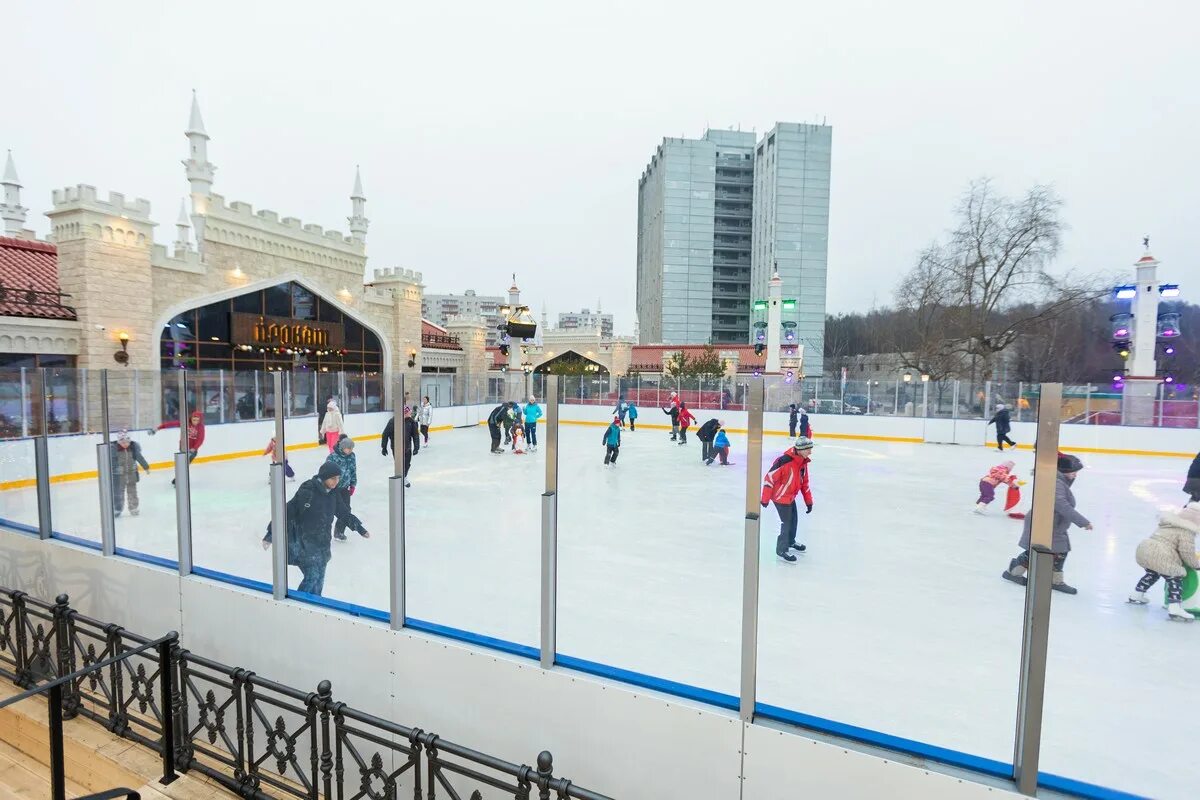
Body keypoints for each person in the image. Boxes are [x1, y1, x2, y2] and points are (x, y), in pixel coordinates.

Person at [262, 461, 368, 597]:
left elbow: (343, 512)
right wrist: (271, 534)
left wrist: (359, 527)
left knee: (318, 582)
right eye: (333, 478)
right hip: (304, 543)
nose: (336, 481)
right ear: (324, 477)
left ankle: (315, 606)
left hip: (322, 544)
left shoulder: (334, 493)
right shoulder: (308, 491)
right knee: (312, 577)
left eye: (338, 478)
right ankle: (298, 606)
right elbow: (287, 512)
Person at [1001, 453, 1092, 594]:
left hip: (1052, 524)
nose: (1075, 475)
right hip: (1045, 523)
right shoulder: (1056, 483)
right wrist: (1083, 522)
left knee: (1057, 551)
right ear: (1064, 471)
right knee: (1047, 551)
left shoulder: (1059, 480)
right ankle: (1016, 571)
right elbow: (1061, 505)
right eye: (1073, 472)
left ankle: (1047, 578)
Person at [1127, 503, 1200, 621]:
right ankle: (1175, 607)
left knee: (1153, 573)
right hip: (1161, 554)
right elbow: (1187, 552)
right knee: (1175, 578)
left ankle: (1137, 594)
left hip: (1145, 549)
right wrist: (1196, 565)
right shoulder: (1187, 531)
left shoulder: (1168, 524)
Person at [760, 437, 815, 562]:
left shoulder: (802, 463)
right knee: (786, 523)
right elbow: (769, 479)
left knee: (794, 520)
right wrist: (765, 499)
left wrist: (809, 502)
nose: (810, 452)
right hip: (780, 497)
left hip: (790, 496)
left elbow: (804, 483)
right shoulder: (784, 461)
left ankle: (790, 542)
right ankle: (781, 549)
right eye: (808, 449)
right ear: (800, 449)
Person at [326, 436, 364, 542]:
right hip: (334, 488)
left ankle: (339, 532)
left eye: (352, 448)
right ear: (343, 447)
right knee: (330, 511)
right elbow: (326, 472)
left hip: (345, 488)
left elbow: (353, 470)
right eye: (349, 448)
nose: (351, 450)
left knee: (346, 510)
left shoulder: (352, 456)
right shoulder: (332, 457)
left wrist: (353, 484)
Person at [160, 410, 205, 487]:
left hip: (192, 451)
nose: (195, 422)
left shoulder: (201, 427)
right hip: (183, 448)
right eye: (194, 420)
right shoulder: (185, 423)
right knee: (182, 466)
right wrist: (159, 427)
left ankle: (178, 481)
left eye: (197, 420)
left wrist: (194, 449)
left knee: (184, 466)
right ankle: (177, 480)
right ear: (191, 418)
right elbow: (172, 424)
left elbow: (200, 439)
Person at [110, 430, 150, 517]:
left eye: (127, 442)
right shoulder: (114, 450)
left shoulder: (133, 448)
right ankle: (117, 509)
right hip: (119, 477)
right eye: (122, 442)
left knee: (133, 492)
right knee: (118, 494)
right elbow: (112, 461)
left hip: (132, 475)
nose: (125, 444)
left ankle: (133, 508)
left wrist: (146, 467)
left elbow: (140, 458)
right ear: (119, 442)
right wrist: (115, 469)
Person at [381, 408, 420, 487]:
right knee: (399, 465)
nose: (410, 414)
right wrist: (384, 447)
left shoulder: (411, 421)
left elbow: (415, 435)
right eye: (408, 412)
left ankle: (404, 477)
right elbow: (385, 434)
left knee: (407, 464)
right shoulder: (393, 421)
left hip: (407, 447)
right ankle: (400, 480)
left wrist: (416, 447)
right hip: (396, 448)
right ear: (404, 413)